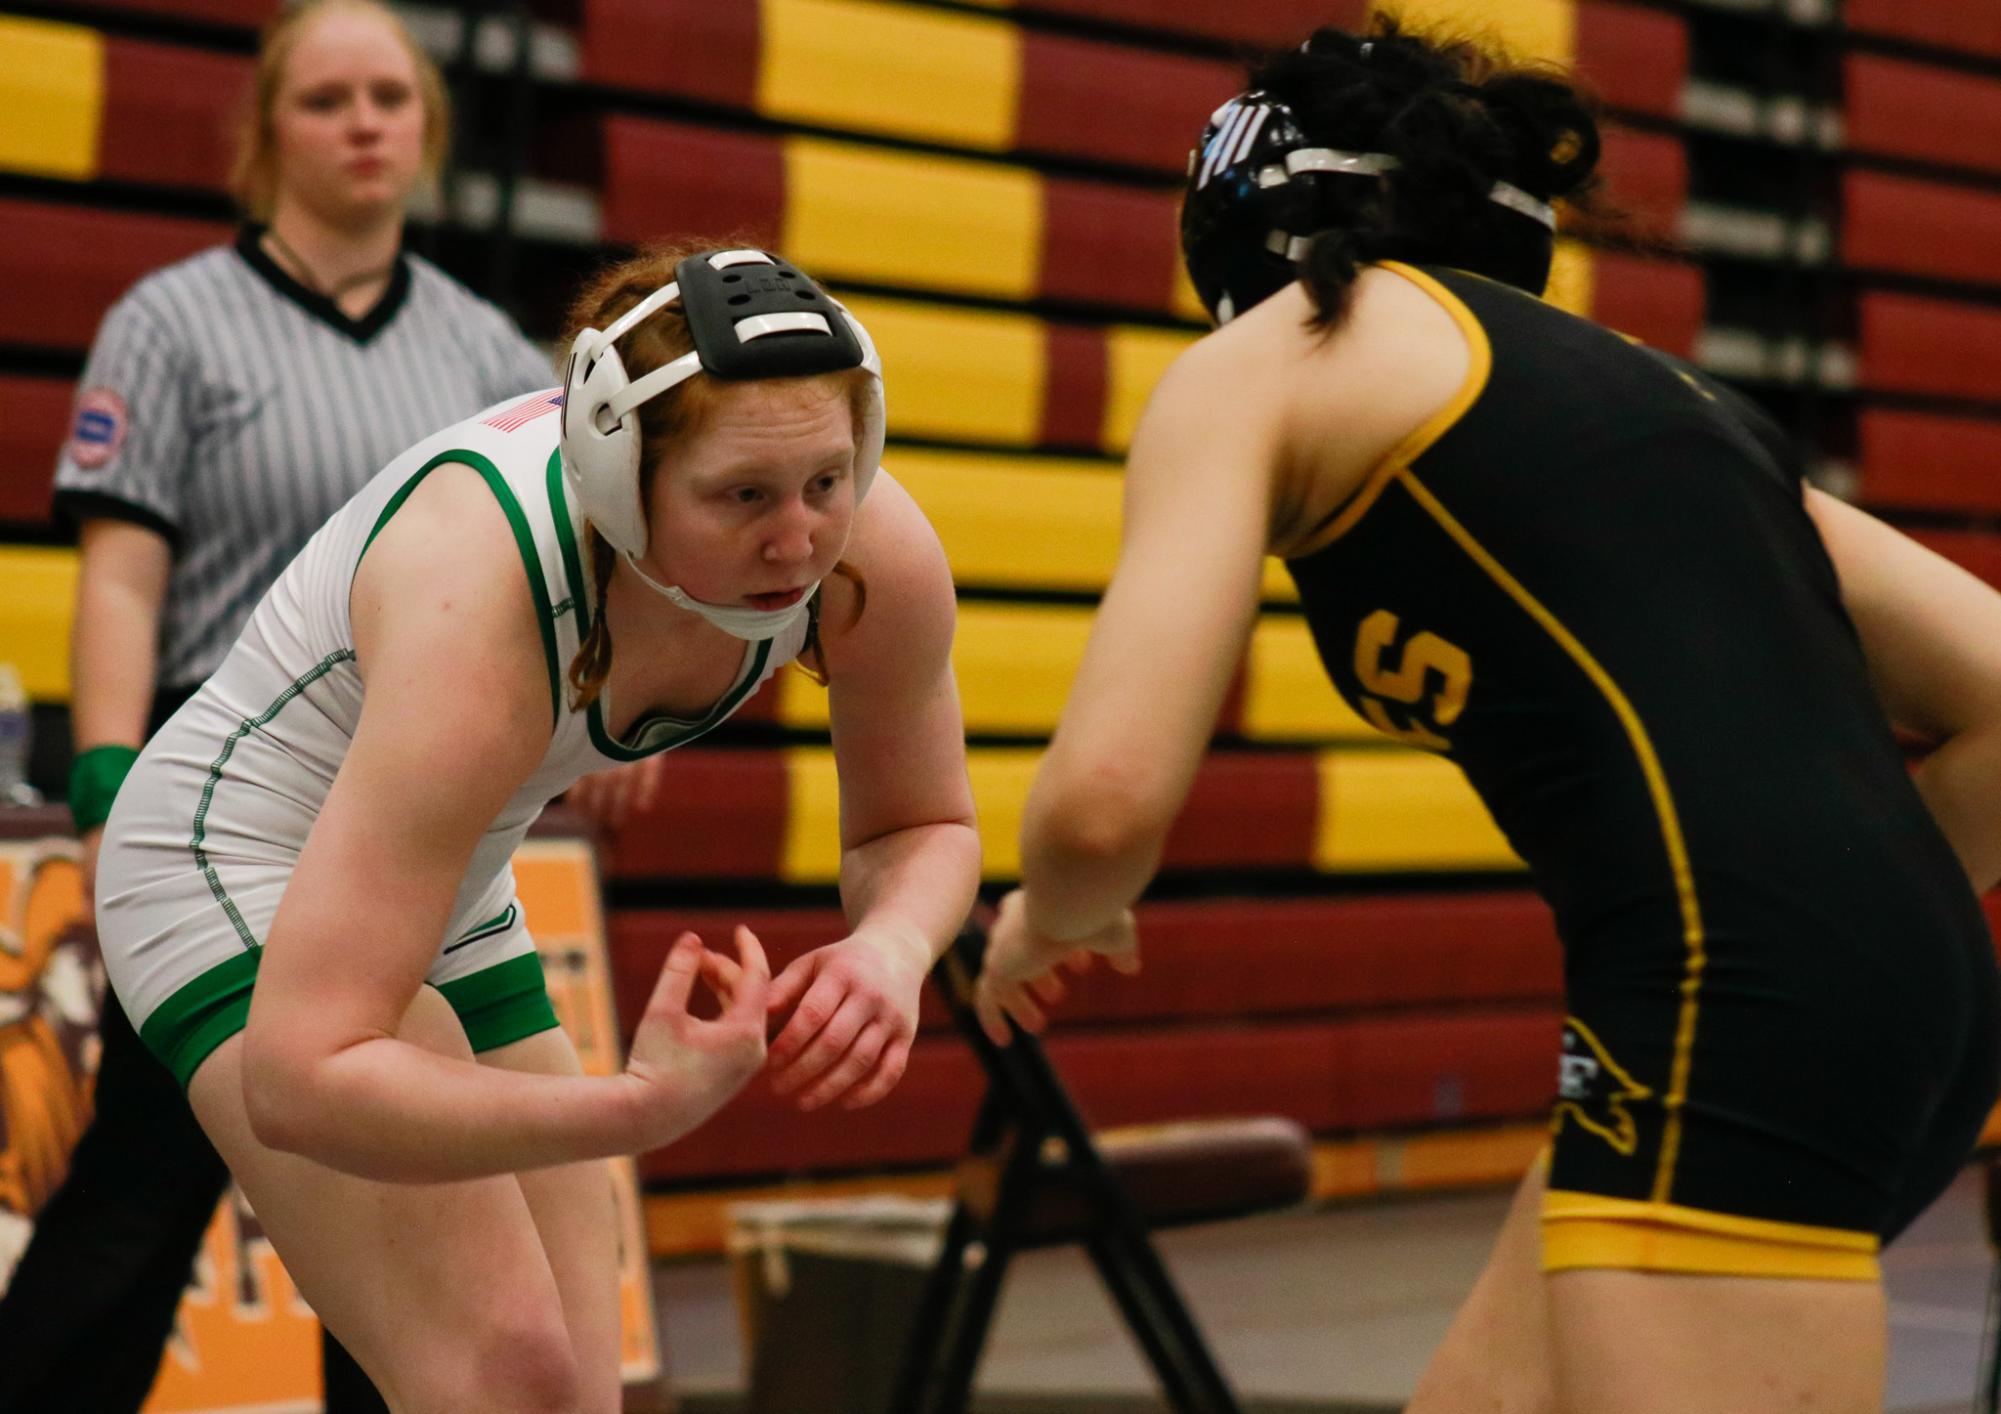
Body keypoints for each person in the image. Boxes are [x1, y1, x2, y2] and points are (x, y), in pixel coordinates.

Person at [972, 20, 2001, 1414]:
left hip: (1727, 985)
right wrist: (1866, 903)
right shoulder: (1655, 392)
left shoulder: (1277, 355)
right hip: (1884, 990)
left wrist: (1056, 908)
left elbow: (1103, 801)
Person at [90, 240, 978, 1413]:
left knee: (573, 1395)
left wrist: (891, 949)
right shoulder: (484, 597)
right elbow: (302, 1079)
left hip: (438, 866)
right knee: (503, 1380)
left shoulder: (870, 550)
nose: (798, 540)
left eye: (827, 479)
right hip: (233, 858)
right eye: (743, 496)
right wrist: (635, 1108)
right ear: (619, 482)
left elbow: (921, 823)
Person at [0, 3, 562, 1408]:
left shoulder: (488, 348)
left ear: (428, 125)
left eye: (390, 95)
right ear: (265, 133)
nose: (365, 122)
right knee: (146, 1169)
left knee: (412, 1174)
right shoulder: (172, 319)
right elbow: (124, 578)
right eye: (326, 100)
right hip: (221, 791)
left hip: (425, 795)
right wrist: (109, 773)